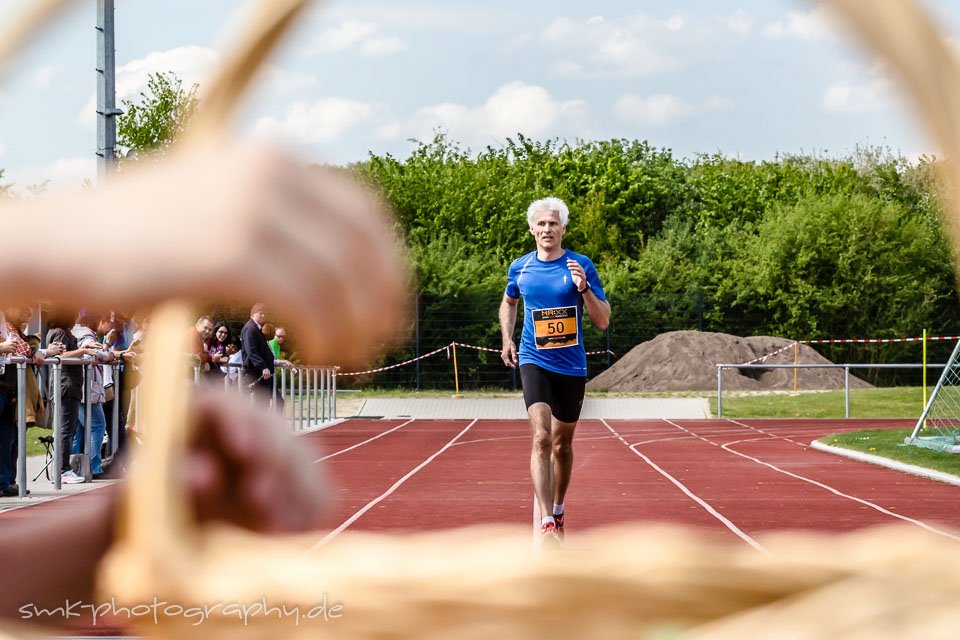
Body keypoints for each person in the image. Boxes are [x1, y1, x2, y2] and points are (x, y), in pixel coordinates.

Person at [499, 197, 611, 546]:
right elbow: (509, 302)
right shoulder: (520, 268)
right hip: (534, 360)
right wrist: (507, 337)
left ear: (563, 228)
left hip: (572, 366)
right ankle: (547, 521)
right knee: (541, 437)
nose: (547, 229)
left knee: (562, 445)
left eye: (553, 224)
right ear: (532, 229)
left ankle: (559, 508)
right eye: (541, 224)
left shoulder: (581, 265)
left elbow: (603, 319)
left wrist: (585, 289)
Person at [241, 303, 276, 405]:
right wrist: (263, 367)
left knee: (263, 403)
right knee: (260, 404)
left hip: (261, 372)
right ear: (252, 314)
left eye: (265, 314)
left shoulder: (256, 328)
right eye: (260, 313)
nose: (263, 316)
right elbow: (251, 351)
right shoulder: (250, 328)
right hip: (255, 372)